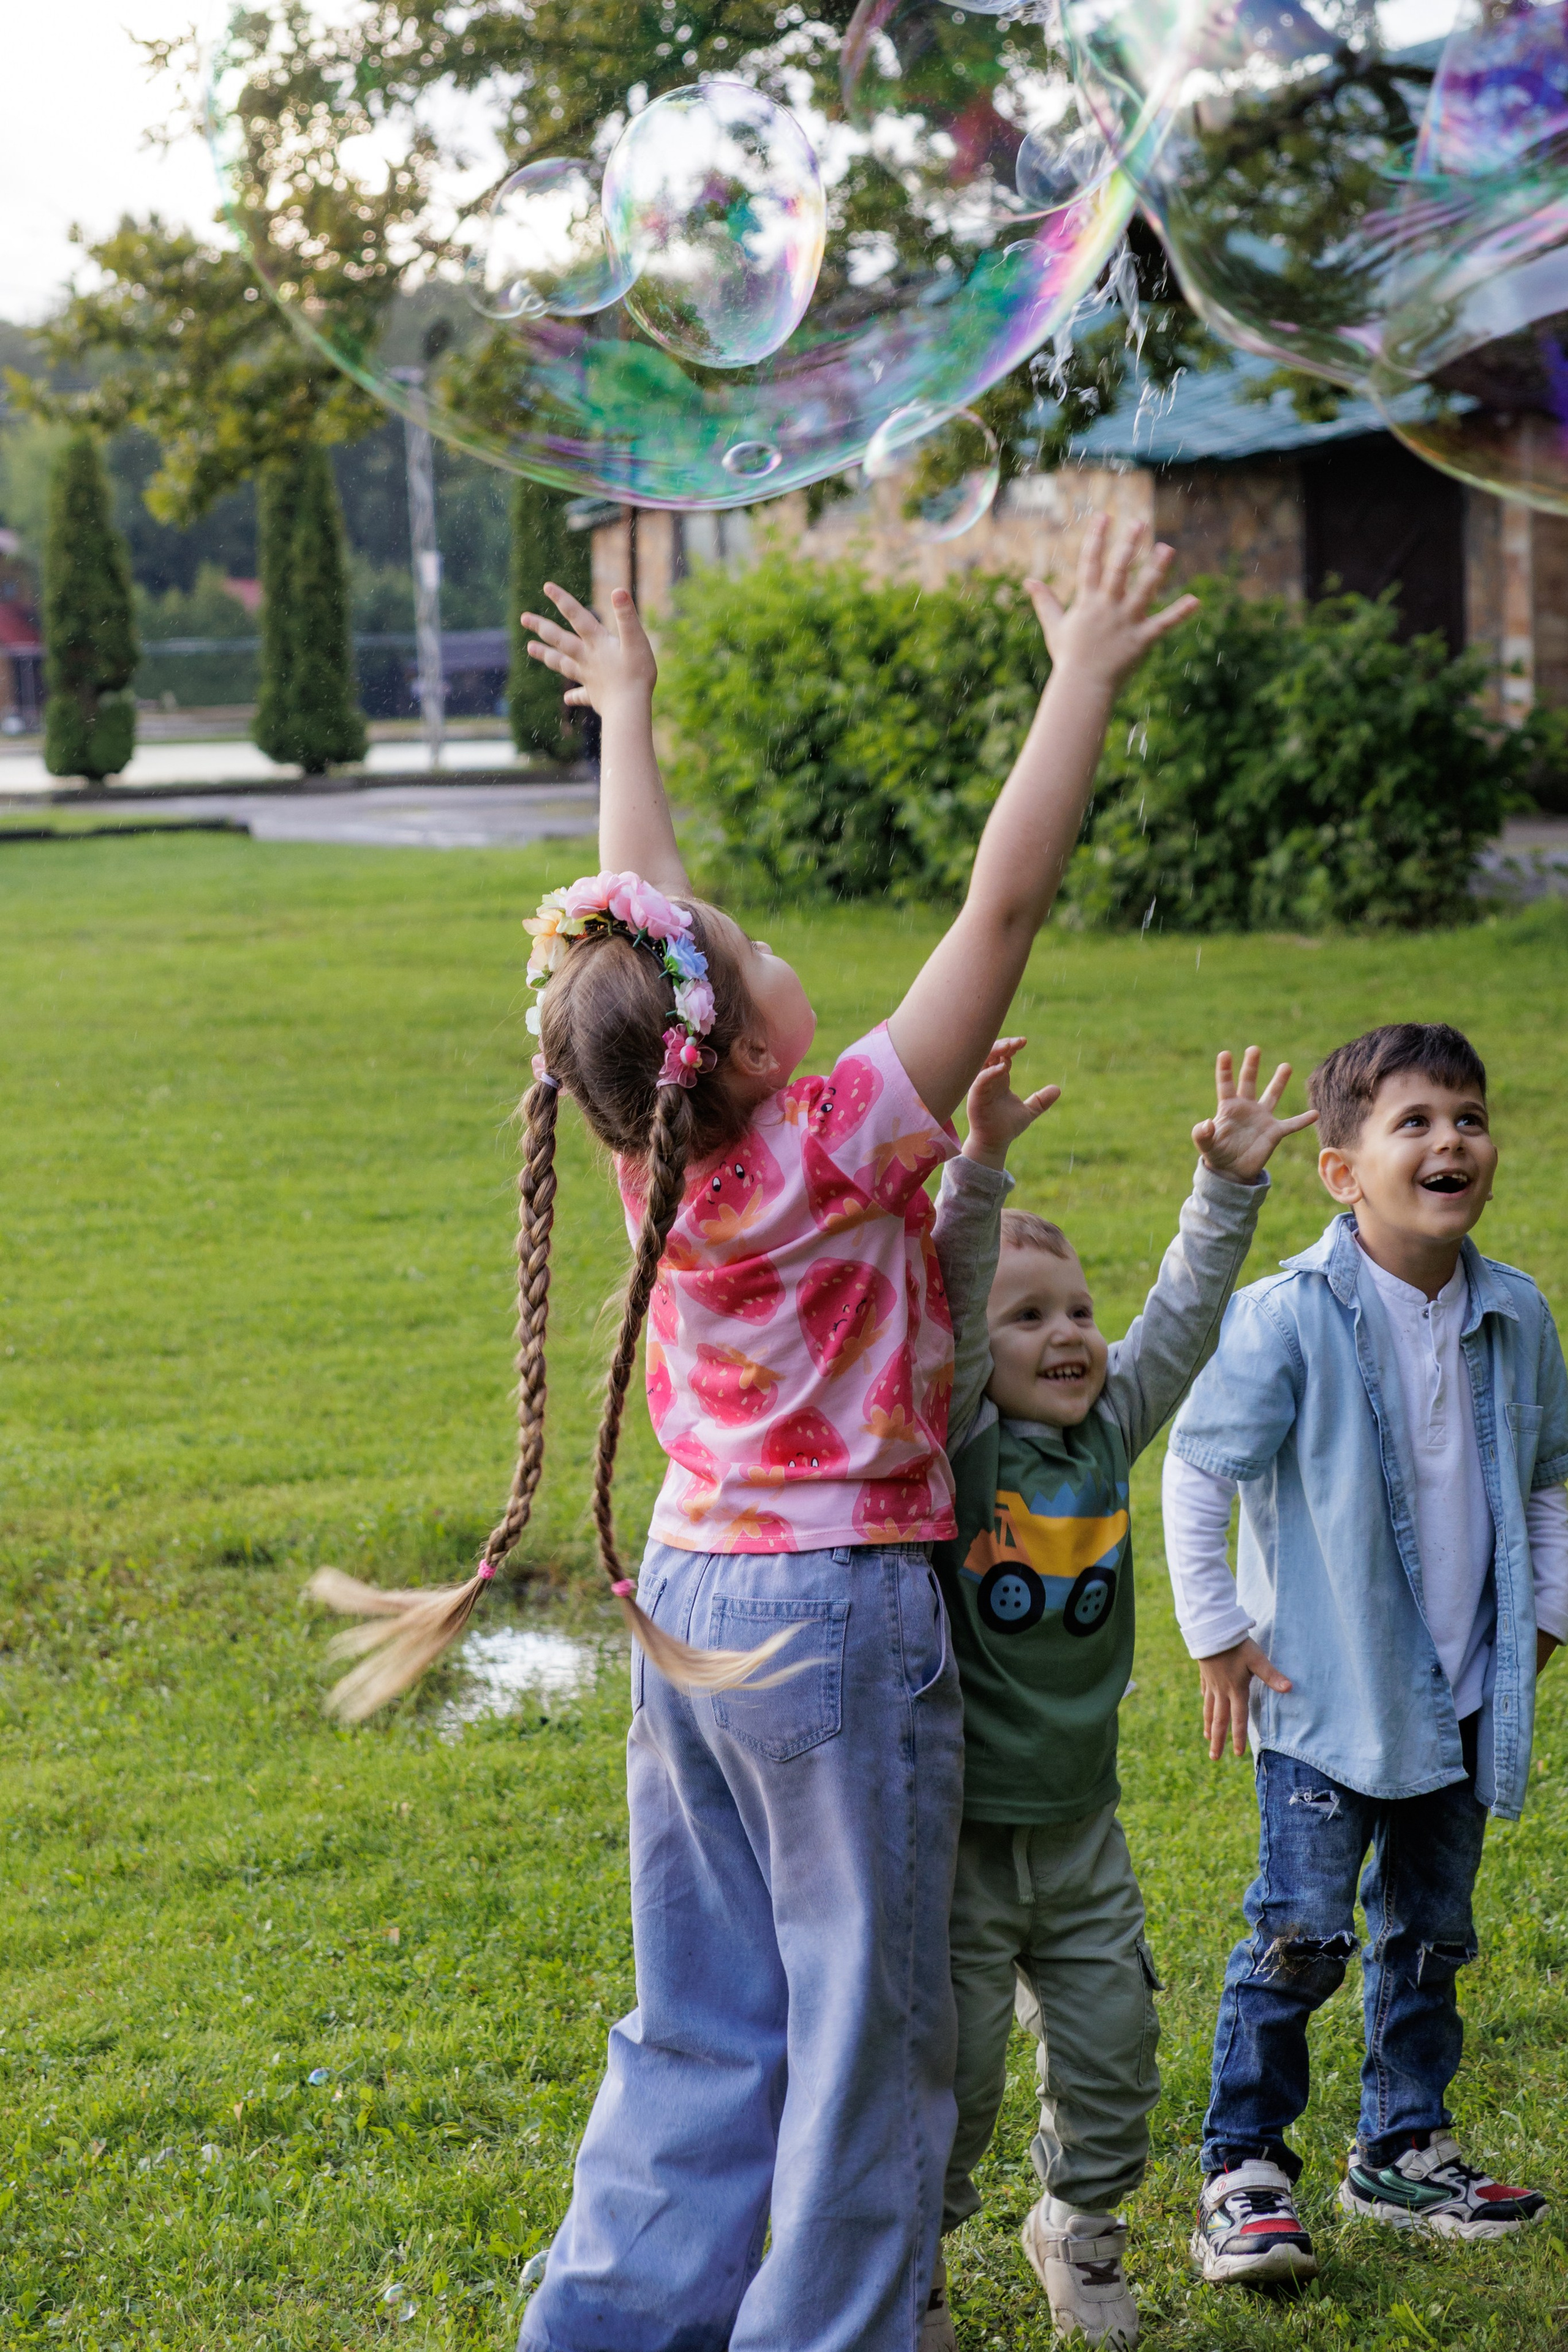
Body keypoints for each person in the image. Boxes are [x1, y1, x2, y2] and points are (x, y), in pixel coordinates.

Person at [314, 519, 1198, 2352]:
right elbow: (1001, 911)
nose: (770, 942)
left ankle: (612, 2323)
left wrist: (628, 710)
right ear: (740, 1045)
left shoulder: (655, 1152)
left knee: (706, 2009)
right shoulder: (847, 1133)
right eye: (758, 946)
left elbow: (645, 926)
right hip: (840, 1627)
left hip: (699, 1602)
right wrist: (1080, 681)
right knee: (871, 2026)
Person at [1163, 1022, 1568, 2287]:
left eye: (1466, 1116)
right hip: (1318, 1704)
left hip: (1457, 1699)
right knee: (1299, 1938)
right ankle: (1243, 2171)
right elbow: (1195, 1469)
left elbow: (1551, 1479)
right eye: (1413, 1121)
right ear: (1340, 1171)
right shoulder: (1285, 1316)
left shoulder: (1513, 1314)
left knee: (1427, 1938)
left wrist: (1545, 1614)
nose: (1449, 1140)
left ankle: (1400, 2148)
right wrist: (1216, 1633)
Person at [924, 1038, 1312, 2347]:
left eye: (1075, 1310)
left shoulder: (1107, 1427)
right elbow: (951, 1282)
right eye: (1026, 1319)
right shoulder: (965, 1447)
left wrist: (1223, 1191)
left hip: (1081, 1835)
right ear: (971, 1351)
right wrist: (976, 1170)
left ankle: (1076, 2235)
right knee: (955, 2078)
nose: (1067, 1336)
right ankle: (908, 2263)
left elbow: (1183, 1313)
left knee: (1112, 2056)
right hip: (966, 1842)